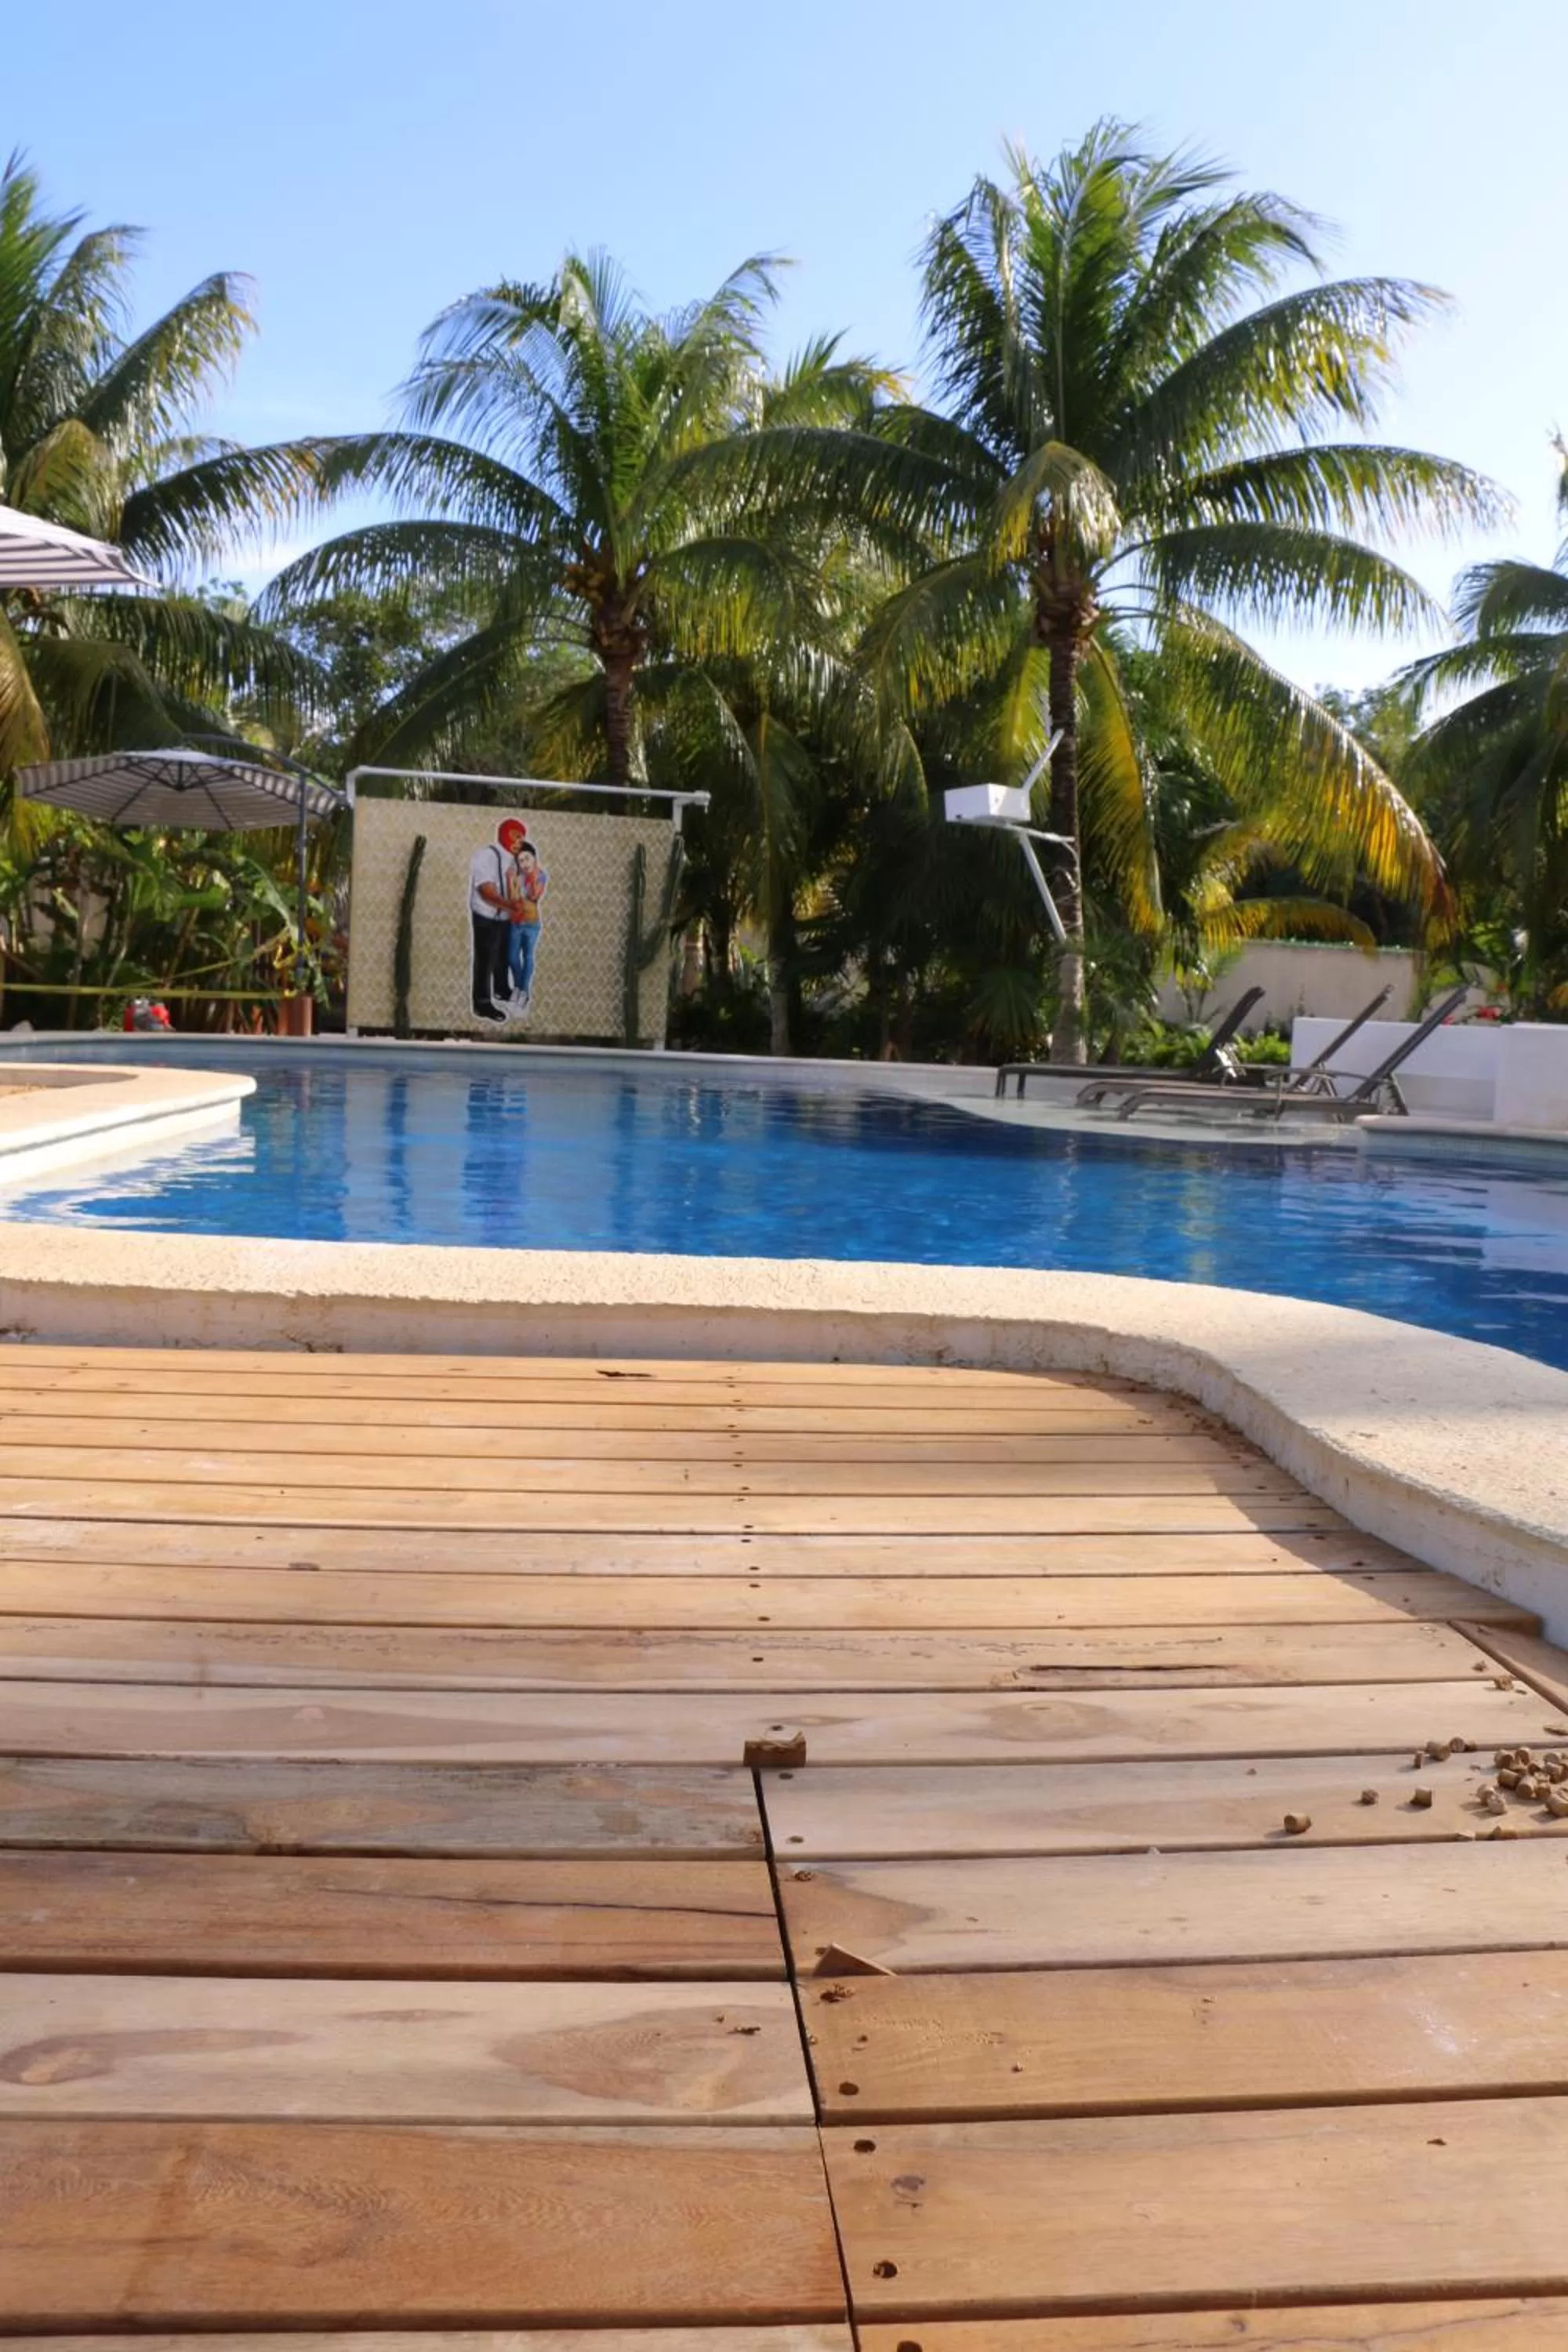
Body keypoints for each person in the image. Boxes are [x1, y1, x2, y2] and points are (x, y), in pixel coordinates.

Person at [468, 818, 527, 1023]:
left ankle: (501, 990)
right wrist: (511, 906)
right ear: (505, 834)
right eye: (516, 836)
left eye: (522, 837)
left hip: (504, 918)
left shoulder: (515, 859)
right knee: (485, 959)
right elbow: (487, 892)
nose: (520, 841)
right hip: (486, 917)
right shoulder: (487, 856)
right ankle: (482, 1003)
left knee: (502, 956)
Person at [505, 840, 548, 1009]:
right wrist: (511, 880)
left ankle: (524, 993)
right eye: (521, 861)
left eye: (527, 859)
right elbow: (514, 899)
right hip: (516, 922)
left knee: (528, 956)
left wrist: (531, 876)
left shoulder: (541, 875)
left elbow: (534, 896)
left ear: (534, 858)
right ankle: (518, 986)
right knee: (512, 958)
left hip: (531, 924)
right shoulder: (518, 877)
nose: (524, 864)